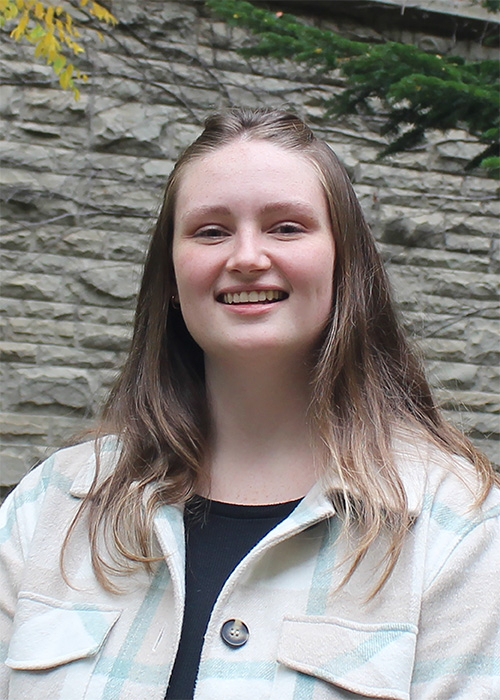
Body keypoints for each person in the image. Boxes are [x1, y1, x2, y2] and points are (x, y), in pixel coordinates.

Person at [1, 108, 499, 700]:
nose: (246, 257)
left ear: (347, 267)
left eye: (286, 227)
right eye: (211, 231)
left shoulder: (459, 528)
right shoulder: (50, 507)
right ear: (171, 276)